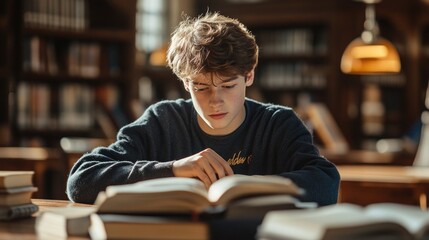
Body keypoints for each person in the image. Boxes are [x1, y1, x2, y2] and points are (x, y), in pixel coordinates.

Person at [66, 12, 340, 205]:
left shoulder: (278, 124)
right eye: (201, 87)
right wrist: (172, 169)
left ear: (249, 76)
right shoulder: (164, 120)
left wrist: (247, 188)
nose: (215, 100)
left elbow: (326, 183)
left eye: (228, 86)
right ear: (185, 83)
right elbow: (80, 181)